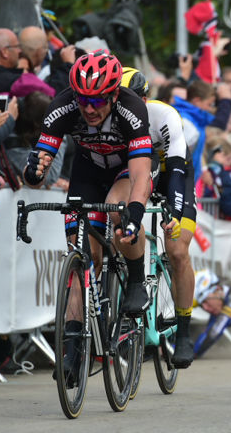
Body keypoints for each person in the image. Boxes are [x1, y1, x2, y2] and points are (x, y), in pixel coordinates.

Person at [22, 51, 153, 386]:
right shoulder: (63, 106)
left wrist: (135, 213)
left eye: (97, 101)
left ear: (112, 94)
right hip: (86, 172)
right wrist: (34, 172)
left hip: (124, 172)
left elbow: (141, 175)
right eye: (83, 101)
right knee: (79, 250)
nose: (90, 109)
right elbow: (41, 161)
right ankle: (73, 349)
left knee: (117, 210)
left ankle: (135, 278)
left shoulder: (131, 107)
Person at [120, 67, 197, 368]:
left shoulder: (163, 116)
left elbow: (177, 171)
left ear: (145, 98)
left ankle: (185, 332)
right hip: (137, 173)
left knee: (177, 250)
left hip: (173, 175)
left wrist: (175, 214)